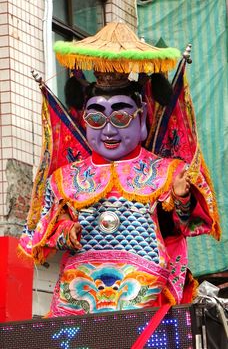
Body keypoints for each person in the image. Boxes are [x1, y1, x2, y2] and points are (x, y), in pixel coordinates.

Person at [18, 22, 219, 317]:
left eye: (121, 116)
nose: (109, 130)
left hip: (144, 287)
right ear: (85, 121)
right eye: (97, 118)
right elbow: (45, 231)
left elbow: (181, 227)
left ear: (142, 121)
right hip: (78, 293)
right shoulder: (64, 179)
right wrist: (66, 232)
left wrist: (182, 199)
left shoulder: (165, 172)